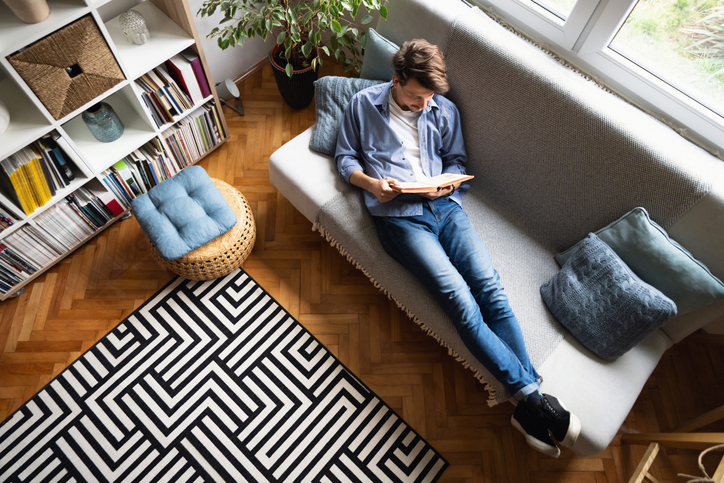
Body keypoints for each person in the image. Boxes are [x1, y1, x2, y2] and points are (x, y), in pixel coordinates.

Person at [334, 38, 581, 457]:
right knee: (460, 301)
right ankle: (534, 400)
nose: (422, 104)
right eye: (415, 96)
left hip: (446, 208)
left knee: (491, 289)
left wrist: (449, 181)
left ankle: (528, 403)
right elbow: (345, 159)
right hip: (399, 219)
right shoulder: (362, 105)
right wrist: (373, 184)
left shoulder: (442, 109)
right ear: (396, 81)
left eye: (428, 97)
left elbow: (457, 162)